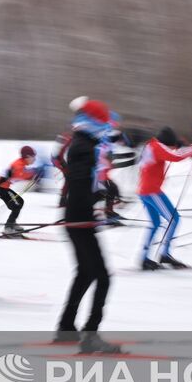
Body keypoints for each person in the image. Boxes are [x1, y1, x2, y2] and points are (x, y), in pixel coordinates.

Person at [56, 99, 120, 352]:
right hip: (80, 221)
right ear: (96, 123)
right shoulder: (85, 146)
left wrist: (98, 198)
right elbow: (79, 181)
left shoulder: (83, 142)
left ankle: (66, 328)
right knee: (103, 277)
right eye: (104, 123)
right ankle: (90, 335)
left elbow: (83, 182)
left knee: (85, 274)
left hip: (77, 219)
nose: (107, 128)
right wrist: (89, 209)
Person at [138, 127, 192, 269]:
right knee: (174, 219)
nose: (172, 148)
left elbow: (169, 152)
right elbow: (176, 157)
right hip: (152, 191)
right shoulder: (157, 147)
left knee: (155, 223)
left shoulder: (152, 144)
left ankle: (144, 258)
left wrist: (178, 145)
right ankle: (164, 254)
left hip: (144, 190)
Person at [0, 145, 40, 237]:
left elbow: (23, 173)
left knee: (19, 202)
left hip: (4, 187)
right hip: (1, 187)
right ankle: (8, 227)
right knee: (17, 205)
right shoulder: (18, 165)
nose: (34, 159)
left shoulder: (21, 163)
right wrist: (33, 175)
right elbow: (21, 175)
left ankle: (12, 223)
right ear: (27, 157)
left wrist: (33, 173)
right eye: (33, 157)